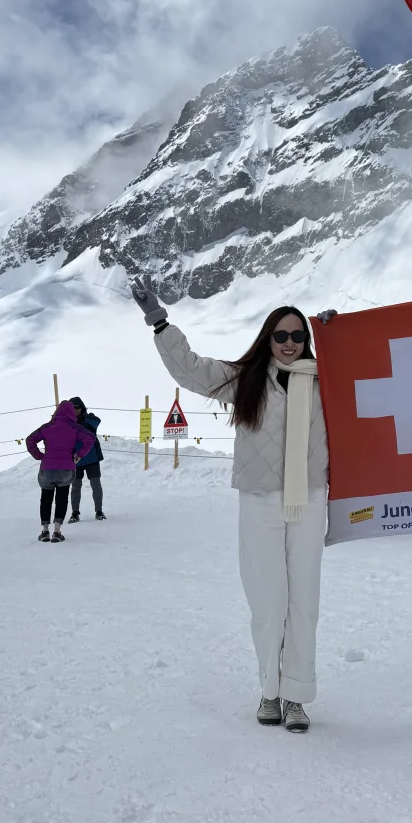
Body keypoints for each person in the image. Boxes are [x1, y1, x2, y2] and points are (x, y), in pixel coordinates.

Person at [131, 275, 329, 734]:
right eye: (280, 335)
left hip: (309, 499)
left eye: (298, 335)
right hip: (260, 500)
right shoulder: (245, 380)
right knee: (268, 602)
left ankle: (296, 696)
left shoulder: (329, 380)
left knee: (304, 603)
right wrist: (159, 322)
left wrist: (340, 337)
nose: (289, 343)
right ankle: (270, 690)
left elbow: (373, 376)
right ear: (267, 338)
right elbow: (190, 370)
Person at [26, 401, 97, 543]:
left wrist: (39, 455)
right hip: (66, 468)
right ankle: (57, 532)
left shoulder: (47, 427)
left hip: (47, 468)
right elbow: (90, 438)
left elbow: (30, 440)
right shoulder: (74, 427)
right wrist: (79, 454)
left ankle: (45, 531)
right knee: (62, 498)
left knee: (46, 499)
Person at [69, 397, 106, 522]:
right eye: (72, 408)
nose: (75, 410)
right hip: (75, 458)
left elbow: (97, 422)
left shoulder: (89, 419)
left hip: (91, 458)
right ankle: (75, 513)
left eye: (78, 408)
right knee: (75, 486)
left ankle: (99, 511)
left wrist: (85, 416)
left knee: (96, 485)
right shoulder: (68, 422)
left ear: (82, 407)